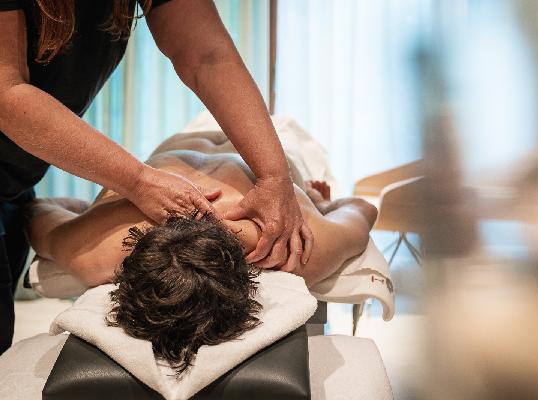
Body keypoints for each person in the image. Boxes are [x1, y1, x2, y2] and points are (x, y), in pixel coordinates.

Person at [0, 0, 312, 354]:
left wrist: (277, 178)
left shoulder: (94, 255)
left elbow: (207, 56)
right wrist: (283, 182)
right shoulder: (280, 242)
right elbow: (5, 94)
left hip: (17, 173)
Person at [25, 130, 378, 370]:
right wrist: (93, 213)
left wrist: (91, 211)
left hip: (219, 142)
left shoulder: (290, 245)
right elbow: (364, 208)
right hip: (254, 141)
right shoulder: (287, 240)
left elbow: (360, 210)